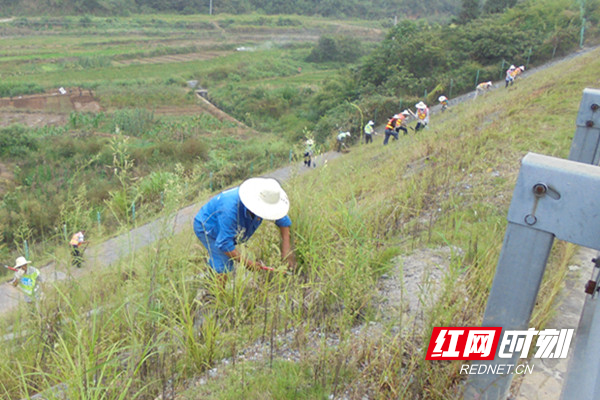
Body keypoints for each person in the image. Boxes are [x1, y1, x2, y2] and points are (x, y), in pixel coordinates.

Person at [193, 177, 295, 285]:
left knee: (222, 259)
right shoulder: (230, 209)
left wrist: (286, 250)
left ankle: (211, 271)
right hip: (207, 226)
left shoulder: (267, 198)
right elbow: (224, 244)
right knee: (224, 263)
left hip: (226, 226)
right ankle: (217, 297)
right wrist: (248, 264)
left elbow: (284, 222)